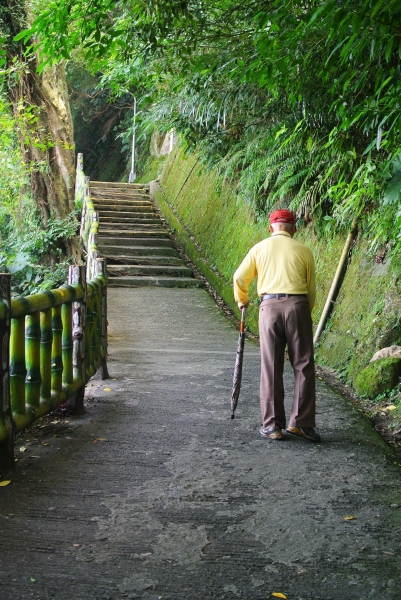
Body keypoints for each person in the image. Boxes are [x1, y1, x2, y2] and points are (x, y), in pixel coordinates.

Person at [233, 209, 320, 442]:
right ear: (294, 228)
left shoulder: (259, 248)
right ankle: (300, 423)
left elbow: (239, 278)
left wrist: (243, 300)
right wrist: (302, 312)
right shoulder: (304, 251)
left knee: (271, 365)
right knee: (303, 364)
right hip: (298, 306)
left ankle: (273, 426)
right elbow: (311, 291)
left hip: (269, 308)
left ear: (271, 228)